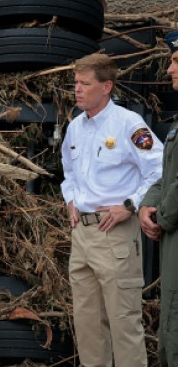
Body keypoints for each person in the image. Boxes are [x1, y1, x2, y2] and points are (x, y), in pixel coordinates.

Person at [60, 53, 162, 367]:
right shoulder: (75, 128)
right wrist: (71, 200)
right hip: (83, 237)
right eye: (75, 83)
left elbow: (158, 169)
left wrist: (130, 205)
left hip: (115, 233)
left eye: (85, 84)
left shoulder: (129, 124)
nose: (77, 90)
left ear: (106, 87)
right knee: (88, 326)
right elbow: (69, 173)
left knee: (124, 323)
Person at [140, 31, 178, 366]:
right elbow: (165, 175)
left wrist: (163, 216)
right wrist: (145, 205)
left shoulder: (127, 124)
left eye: (176, 61)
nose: (169, 69)